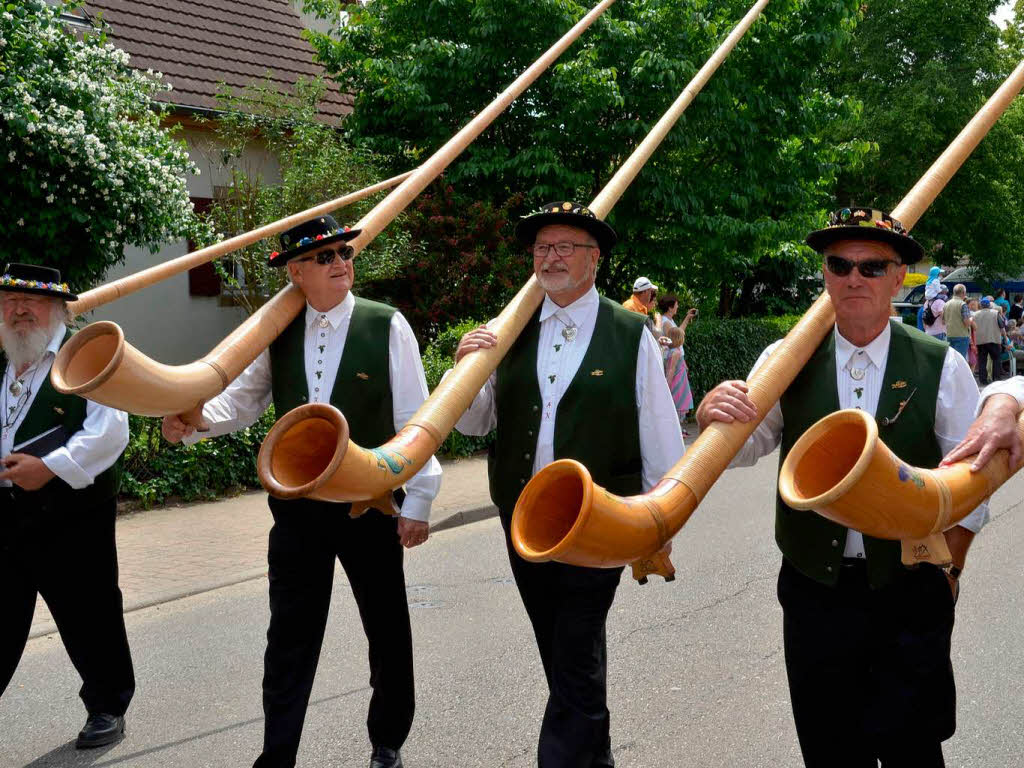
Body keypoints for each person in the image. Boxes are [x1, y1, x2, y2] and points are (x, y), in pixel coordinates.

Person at [696, 206, 987, 767]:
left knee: (912, 750)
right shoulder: (784, 360)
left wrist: (950, 570)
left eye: (873, 267)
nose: (854, 278)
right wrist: (714, 414)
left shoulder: (940, 364)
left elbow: (971, 481)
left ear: (901, 276)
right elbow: (746, 446)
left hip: (909, 589)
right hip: (815, 592)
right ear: (826, 274)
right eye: (839, 264)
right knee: (830, 751)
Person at [162, 215, 442, 768]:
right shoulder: (280, 330)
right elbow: (242, 400)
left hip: (370, 507)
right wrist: (193, 417)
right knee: (288, 639)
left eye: (344, 252)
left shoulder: (386, 324)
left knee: (386, 630)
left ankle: (387, 741)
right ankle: (278, 754)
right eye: (325, 256)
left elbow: (417, 420)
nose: (341, 262)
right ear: (295, 272)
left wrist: (422, 499)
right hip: (297, 510)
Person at [452, 201, 683, 767]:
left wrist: (660, 521)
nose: (550, 258)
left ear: (594, 258)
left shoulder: (632, 334)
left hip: (600, 518)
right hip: (524, 519)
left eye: (564, 248)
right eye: (541, 249)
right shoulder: (508, 330)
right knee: (562, 651)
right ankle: (594, 758)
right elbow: (475, 422)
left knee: (574, 650)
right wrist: (464, 368)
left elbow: (659, 431)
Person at [0, 263, 134, 749]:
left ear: (56, 309)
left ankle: (106, 706)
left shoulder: (86, 354)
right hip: (6, 512)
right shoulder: (1, 356)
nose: (18, 311)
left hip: (72, 513)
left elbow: (110, 432)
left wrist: (50, 467)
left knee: (89, 611)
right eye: (9, 301)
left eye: (31, 302)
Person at [654, 294, 696, 429]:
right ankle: (674, 426)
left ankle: (677, 425)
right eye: (676, 304)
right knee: (677, 392)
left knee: (679, 391)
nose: (678, 307)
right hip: (674, 359)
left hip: (678, 359)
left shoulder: (670, 320)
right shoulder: (666, 322)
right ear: (670, 307)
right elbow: (675, 338)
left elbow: (679, 334)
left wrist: (687, 318)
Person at [973, 296, 1003, 385]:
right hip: (993, 339)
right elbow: (1002, 326)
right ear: (989, 305)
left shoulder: (975, 314)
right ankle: (996, 379)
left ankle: (983, 380)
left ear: (981, 305)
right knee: (996, 359)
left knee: (982, 361)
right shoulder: (995, 313)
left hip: (980, 341)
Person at [942, 283, 973, 361]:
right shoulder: (963, 304)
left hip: (949, 335)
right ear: (963, 293)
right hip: (961, 336)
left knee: (951, 361)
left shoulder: (946, 304)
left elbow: (943, 321)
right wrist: (971, 320)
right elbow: (966, 322)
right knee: (959, 361)